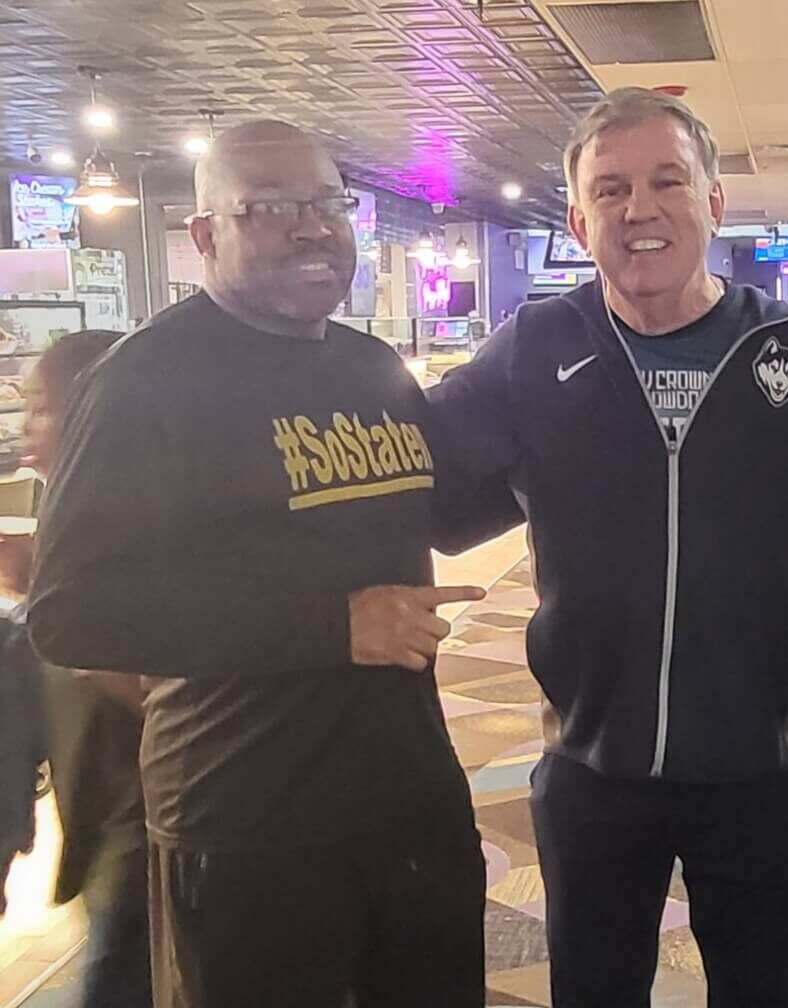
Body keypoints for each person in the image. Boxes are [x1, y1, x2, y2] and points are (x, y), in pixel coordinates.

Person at [28, 121, 492, 1008]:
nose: (312, 227)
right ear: (205, 234)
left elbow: (449, 512)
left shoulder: (372, 368)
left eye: (328, 204)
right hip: (248, 825)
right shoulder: (144, 382)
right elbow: (72, 610)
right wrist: (331, 625)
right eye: (270, 208)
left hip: (410, 803)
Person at [429, 87, 788, 1007]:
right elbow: (418, 478)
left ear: (714, 202)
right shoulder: (537, 346)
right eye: (610, 190)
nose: (638, 209)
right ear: (579, 221)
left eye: (667, 182)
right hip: (591, 771)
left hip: (762, 769)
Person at [0, 330, 151, 1006]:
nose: (28, 427)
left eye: (43, 407)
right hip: (105, 836)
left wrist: (64, 622)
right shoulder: (67, 528)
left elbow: (181, 696)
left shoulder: (145, 534)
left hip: (152, 838)